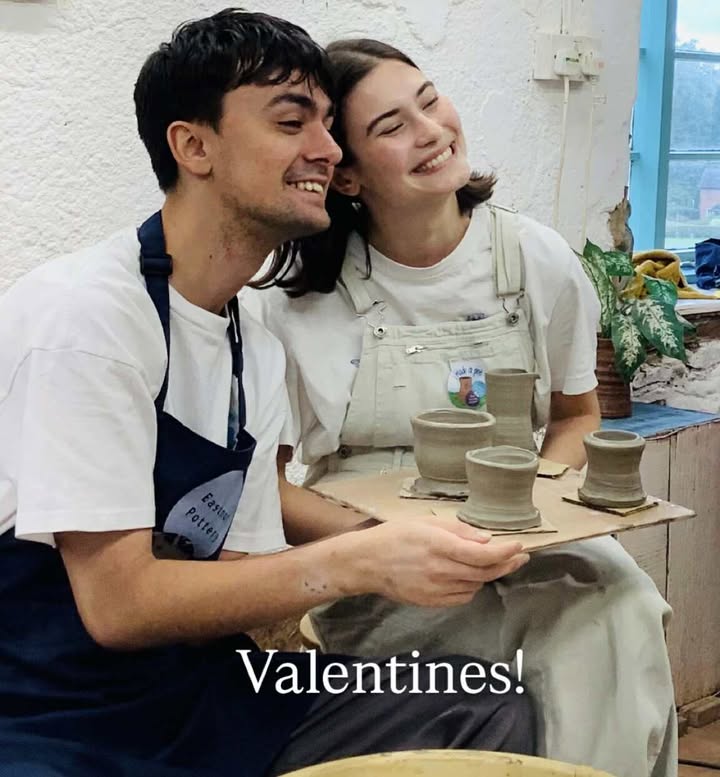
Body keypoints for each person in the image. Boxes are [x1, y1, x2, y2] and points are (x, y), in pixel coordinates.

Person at [0, 10, 540, 777]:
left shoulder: (251, 332)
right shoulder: (87, 317)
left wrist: (428, 546)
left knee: (481, 694)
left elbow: (245, 569)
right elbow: (118, 605)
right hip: (50, 708)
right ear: (193, 146)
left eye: (328, 125)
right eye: (292, 122)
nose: (325, 149)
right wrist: (359, 559)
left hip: (203, 686)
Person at [246, 39, 678, 777]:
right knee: (535, 662)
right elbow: (267, 484)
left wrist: (527, 505)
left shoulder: (534, 259)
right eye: (390, 126)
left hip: (528, 529)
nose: (432, 129)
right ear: (344, 171)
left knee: (619, 614)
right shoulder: (295, 304)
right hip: (386, 561)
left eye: (429, 97)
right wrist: (383, 539)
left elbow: (575, 418)